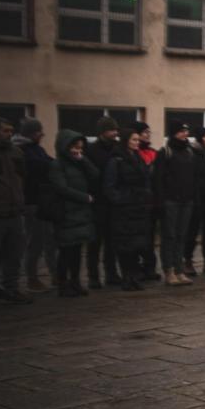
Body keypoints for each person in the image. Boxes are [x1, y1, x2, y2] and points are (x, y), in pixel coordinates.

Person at [102, 128, 154, 291]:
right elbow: (110, 187)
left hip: (138, 208)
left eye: (138, 140)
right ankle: (126, 277)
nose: (137, 142)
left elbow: (145, 180)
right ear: (126, 141)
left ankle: (134, 276)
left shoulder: (137, 158)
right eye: (134, 140)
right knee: (125, 245)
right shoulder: (116, 160)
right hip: (124, 209)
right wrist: (122, 200)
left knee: (136, 244)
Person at [0, 116, 30, 306]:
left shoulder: (16, 152)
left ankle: (11, 288)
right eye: (5, 131)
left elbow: (22, 178)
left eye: (11, 131)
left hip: (14, 212)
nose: (9, 135)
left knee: (14, 254)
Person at [48, 130, 98, 297]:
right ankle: (63, 283)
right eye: (75, 147)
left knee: (77, 250)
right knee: (65, 250)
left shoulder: (79, 163)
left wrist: (83, 160)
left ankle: (75, 282)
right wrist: (85, 198)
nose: (78, 150)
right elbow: (61, 188)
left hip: (81, 214)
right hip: (66, 212)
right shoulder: (57, 165)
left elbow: (95, 175)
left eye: (80, 148)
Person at [151, 121, 198, 286]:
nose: (185, 134)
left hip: (187, 201)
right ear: (173, 133)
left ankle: (179, 270)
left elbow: (194, 176)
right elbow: (158, 179)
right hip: (170, 201)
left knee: (181, 236)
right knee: (169, 236)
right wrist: (160, 201)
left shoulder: (189, 152)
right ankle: (169, 270)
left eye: (186, 131)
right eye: (181, 131)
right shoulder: (165, 152)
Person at [15, 118, 58, 293]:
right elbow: (43, 165)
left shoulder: (36, 149)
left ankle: (56, 275)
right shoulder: (22, 150)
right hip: (32, 201)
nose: (42, 135)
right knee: (35, 241)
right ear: (33, 133)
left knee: (49, 240)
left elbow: (50, 162)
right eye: (39, 132)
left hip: (43, 201)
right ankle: (32, 278)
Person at [85, 116, 121, 288]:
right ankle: (93, 276)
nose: (115, 133)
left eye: (115, 129)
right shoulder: (91, 150)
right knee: (95, 242)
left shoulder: (117, 148)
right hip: (97, 201)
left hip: (113, 202)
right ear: (102, 132)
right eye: (111, 130)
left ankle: (111, 273)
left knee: (112, 241)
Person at [183, 127, 205, 277]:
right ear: (199, 139)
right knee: (192, 230)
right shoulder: (192, 154)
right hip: (196, 198)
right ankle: (188, 260)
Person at [129, 121, 160, 279]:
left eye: (149, 132)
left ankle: (149, 267)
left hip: (152, 201)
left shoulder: (153, 153)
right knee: (137, 237)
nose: (148, 135)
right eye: (144, 132)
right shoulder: (132, 155)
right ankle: (136, 268)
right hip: (137, 202)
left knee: (149, 236)